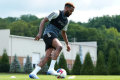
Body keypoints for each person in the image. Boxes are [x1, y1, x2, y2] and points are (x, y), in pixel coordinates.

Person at [29, 2, 75, 79]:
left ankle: (33, 73)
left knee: (47, 56)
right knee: (59, 46)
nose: (71, 13)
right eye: (70, 11)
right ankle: (51, 69)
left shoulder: (66, 21)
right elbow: (43, 20)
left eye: (72, 12)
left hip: (53, 37)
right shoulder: (56, 13)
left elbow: (64, 33)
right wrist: (40, 33)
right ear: (66, 8)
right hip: (48, 34)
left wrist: (68, 44)